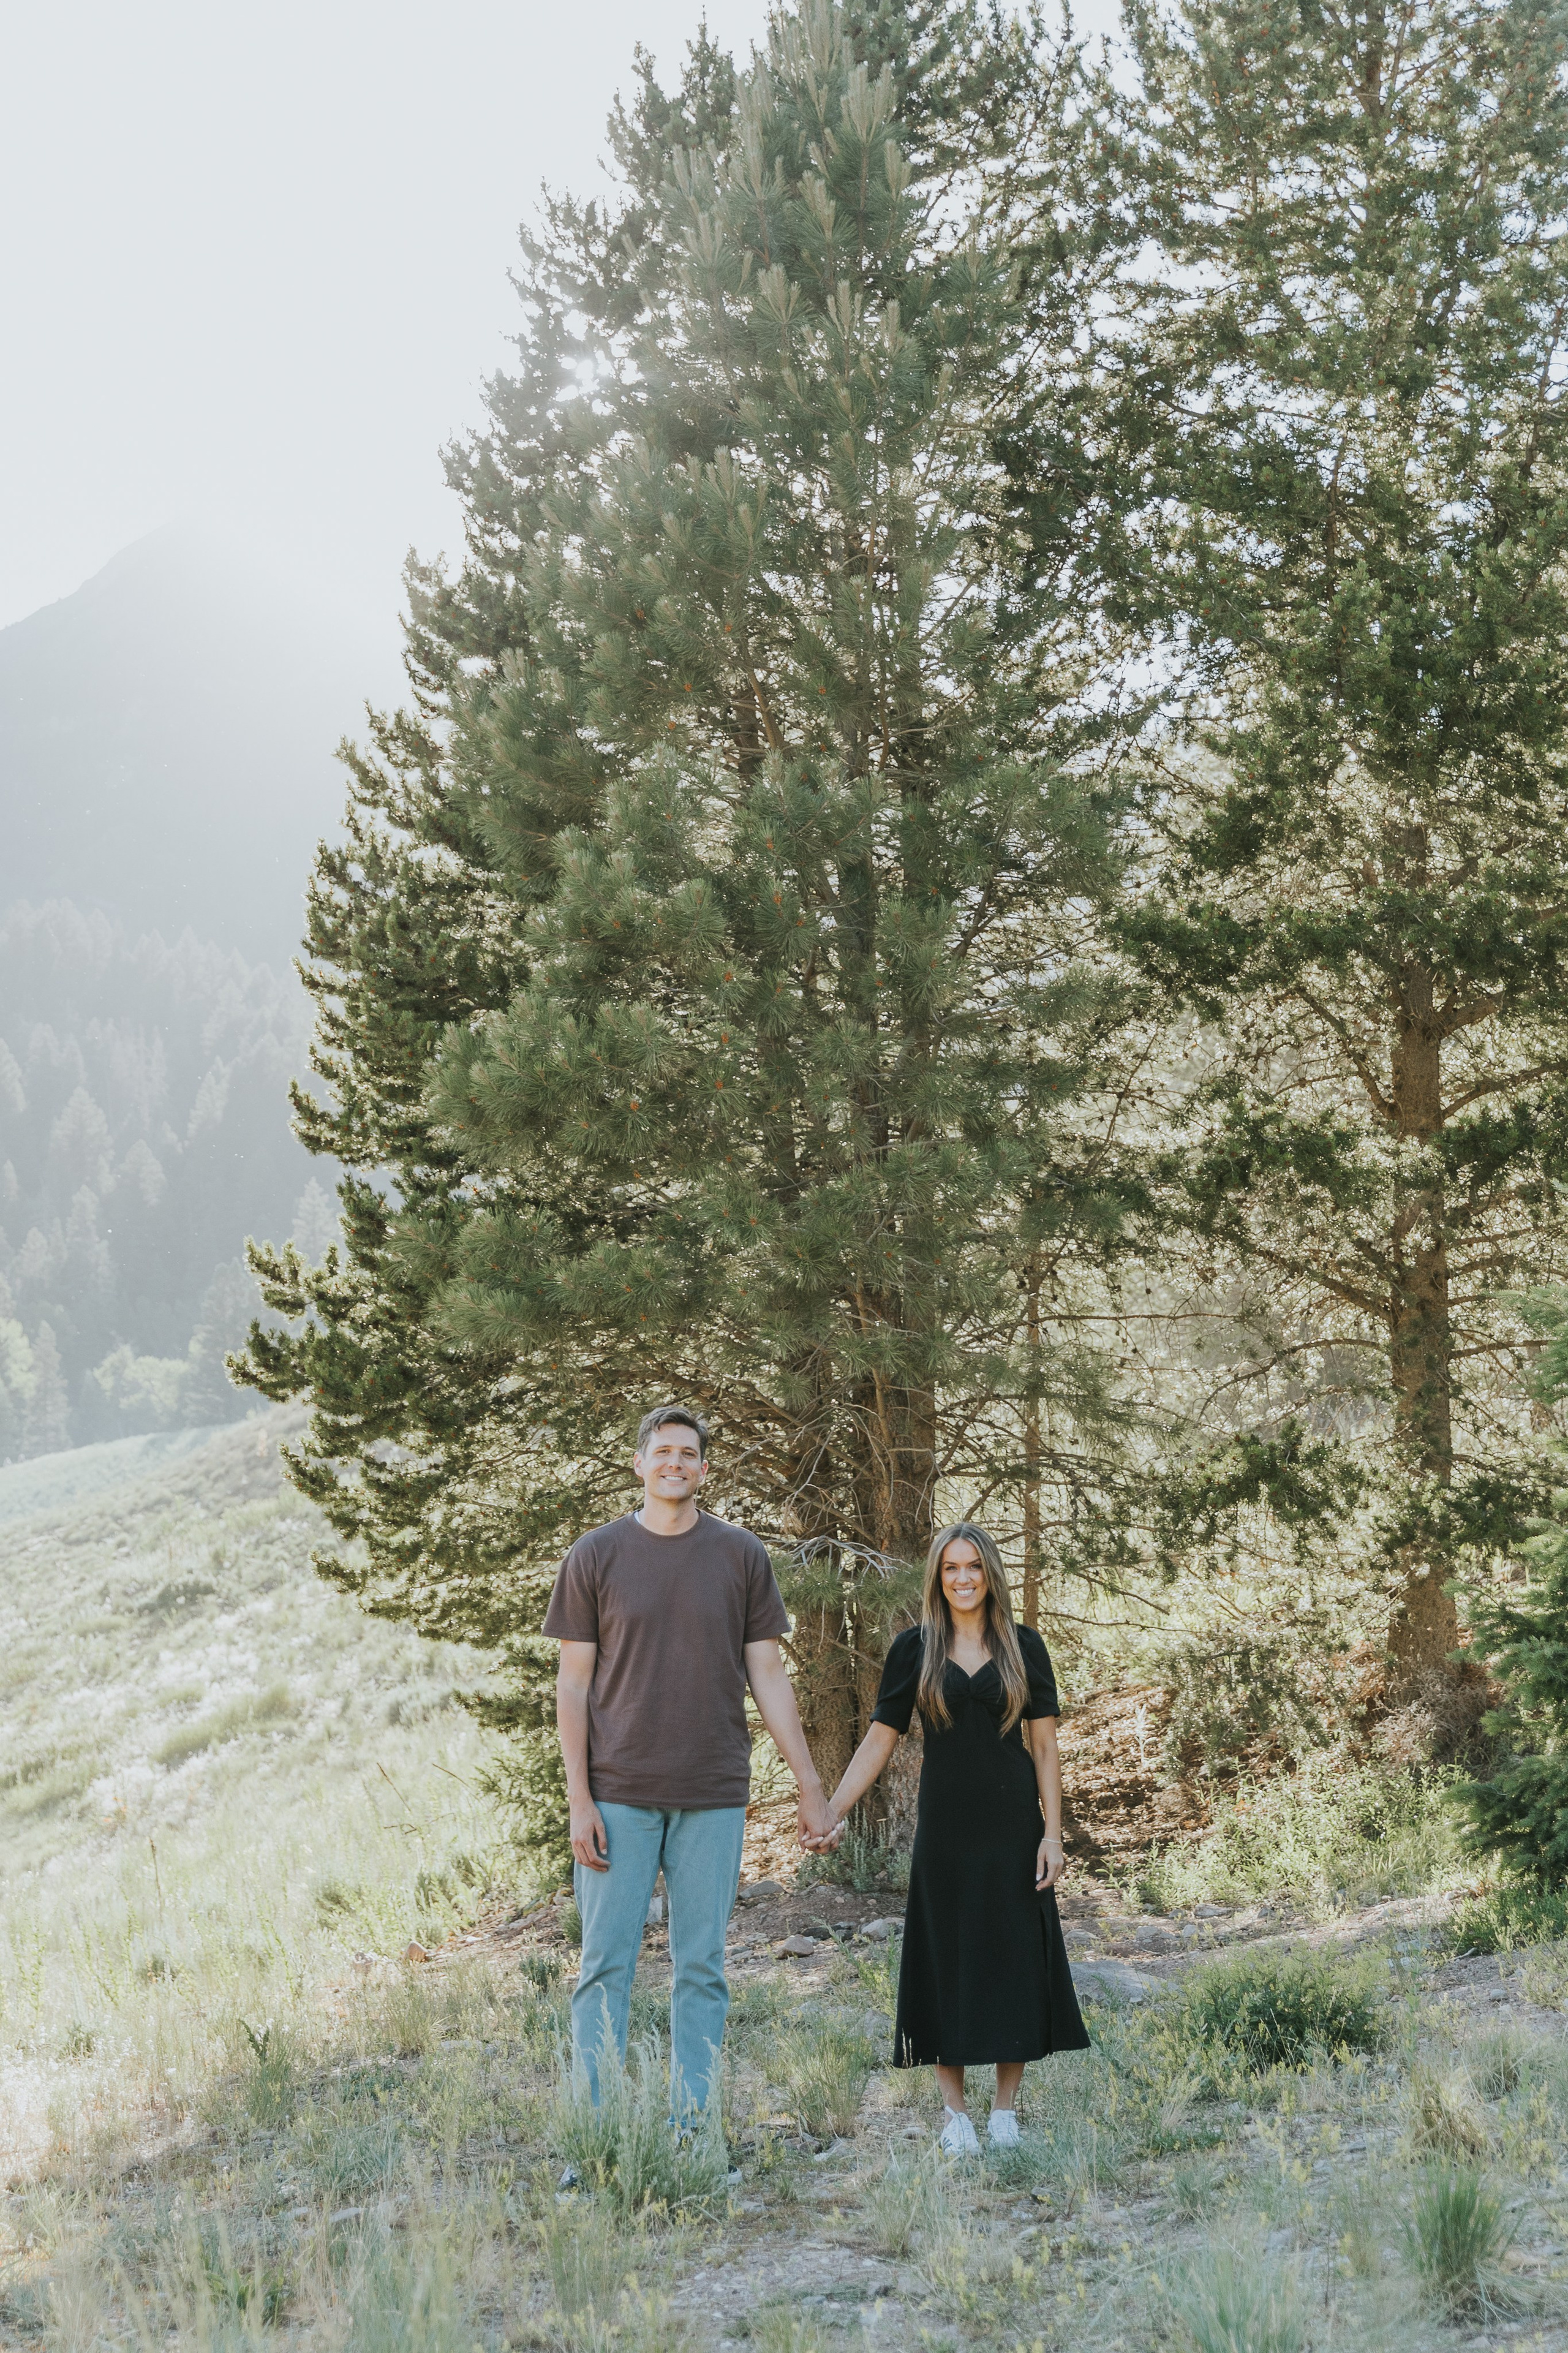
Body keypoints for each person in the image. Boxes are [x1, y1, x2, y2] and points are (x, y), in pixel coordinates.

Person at [543, 1404, 833, 2119]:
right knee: (603, 1968)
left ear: (704, 1470)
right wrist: (579, 1798)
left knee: (700, 1968)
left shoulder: (739, 1554)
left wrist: (808, 1780)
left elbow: (767, 1673)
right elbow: (572, 1684)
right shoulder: (595, 1554)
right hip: (618, 1794)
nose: (675, 1463)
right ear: (640, 1464)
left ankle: (691, 2127)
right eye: (662, 1451)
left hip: (712, 1793)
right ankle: (596, 2132)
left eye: (688, 1454)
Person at [816, 1521, 1089, 2153]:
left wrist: (1052, 1832)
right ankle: (955, 2117)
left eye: (972, 1566)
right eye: (950, 1568)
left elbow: (1045, 1746)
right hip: (944, 1830)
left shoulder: (1025, 1647)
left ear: (989, 1572)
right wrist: (831, 1808)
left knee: (1012, 1958)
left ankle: (1003, 2113)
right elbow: (880, 1738)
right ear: (937, 1578)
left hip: (1013, 1827)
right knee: (947, 1960)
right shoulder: (914, 1648)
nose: (962, 1577)